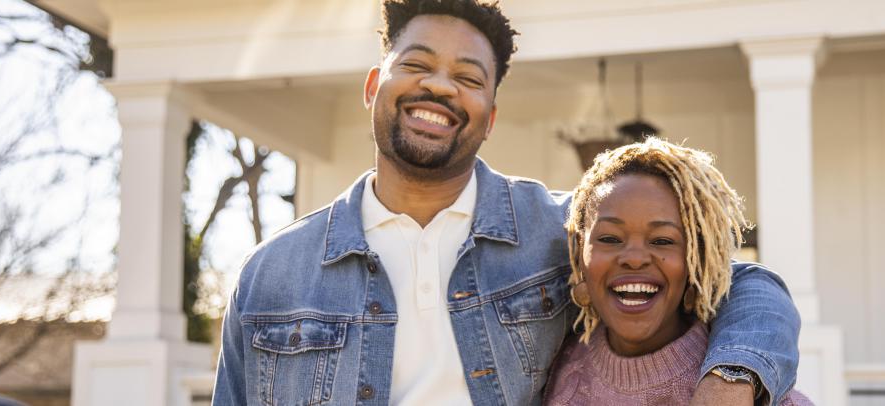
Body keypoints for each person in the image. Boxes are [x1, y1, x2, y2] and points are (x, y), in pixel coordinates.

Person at [211, 0, 801, 405]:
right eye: (416, 64)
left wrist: (733, 377)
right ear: (374, 87)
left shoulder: (558, 229)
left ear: (489, 117)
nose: (439, 86)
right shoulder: (272, 274)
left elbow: (742, 282)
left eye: (468, 77)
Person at [543, 139, 812, 406]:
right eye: (611, 239)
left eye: (662, 240)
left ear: (696, 261)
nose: (635, 259)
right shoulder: (550, 374)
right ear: (580, 252)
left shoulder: (744, 392)